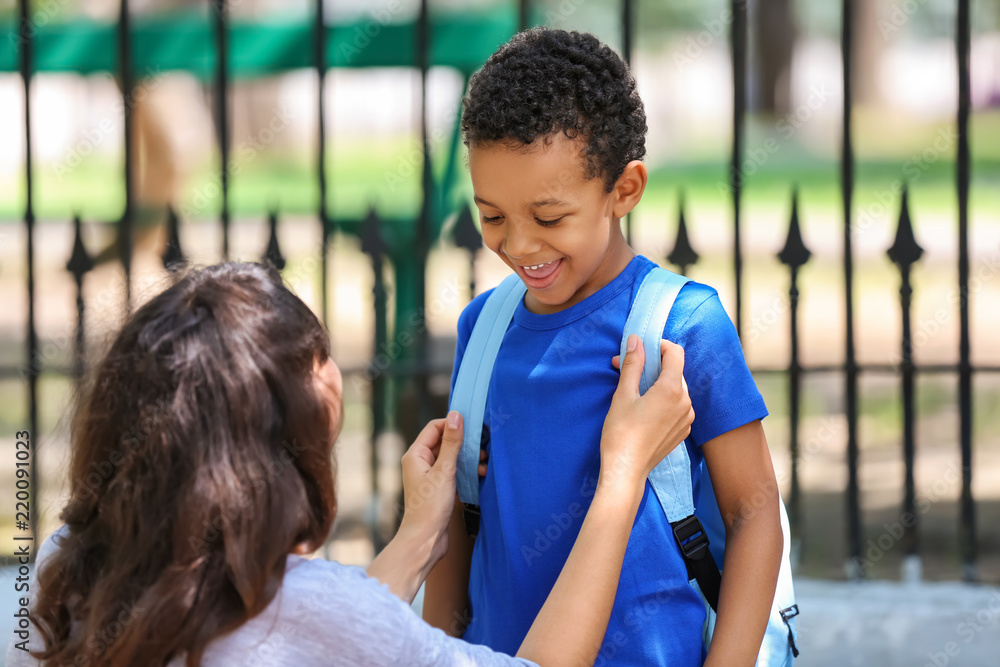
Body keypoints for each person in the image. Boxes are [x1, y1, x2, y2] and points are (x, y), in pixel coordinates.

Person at [5, 261, 694, 667]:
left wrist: (421, 533)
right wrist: (622, 473)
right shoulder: (307, 604)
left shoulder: (61, 569)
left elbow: (325, 635)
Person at [422, 27, 783, 666]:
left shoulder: (683, 326)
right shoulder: (482, 330)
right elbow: (457, 522)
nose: (521, 246)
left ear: (624, 189)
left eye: (550, 218)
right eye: (493, 216)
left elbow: (754, 517)